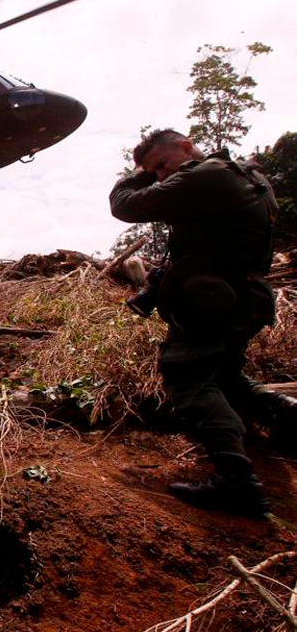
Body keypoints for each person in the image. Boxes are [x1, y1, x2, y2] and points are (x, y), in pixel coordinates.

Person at [110, 128, 277, 517]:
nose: (162, 177)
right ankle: (285, 415)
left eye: (162, 167)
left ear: (186, 147)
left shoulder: (207, 175)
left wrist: (137, 174)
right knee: (223, 377)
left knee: (186, 375)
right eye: (155, 173)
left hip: (213, 298)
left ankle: (237, 481)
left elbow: (125, 206)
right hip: (245, 298)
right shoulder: (248, 174)